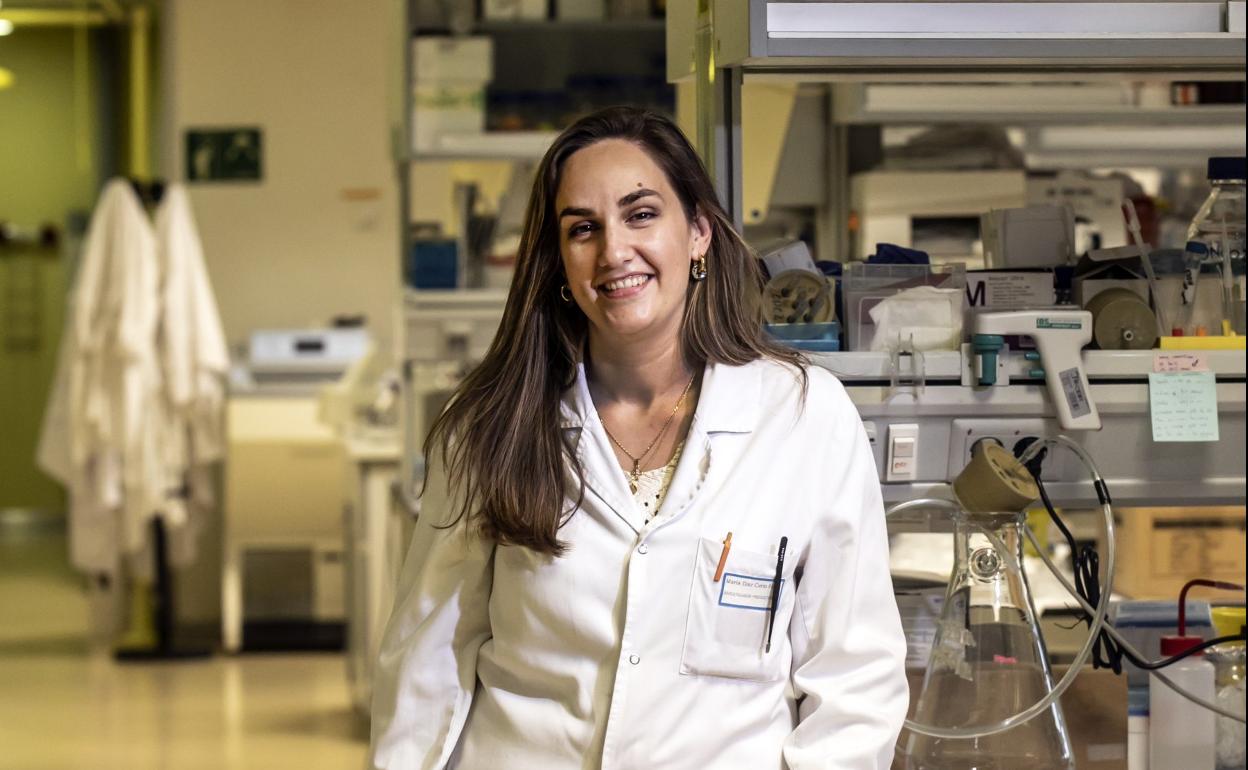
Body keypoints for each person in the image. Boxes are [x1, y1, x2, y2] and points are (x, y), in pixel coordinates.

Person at [370, 106, 908, 770]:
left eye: (641, 214)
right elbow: (425, 666)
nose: (614, 252)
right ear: (559, 261)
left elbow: (855, 678)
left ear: (698, 232)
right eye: (583, 228)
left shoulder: (802, 415)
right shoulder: (492, 426)